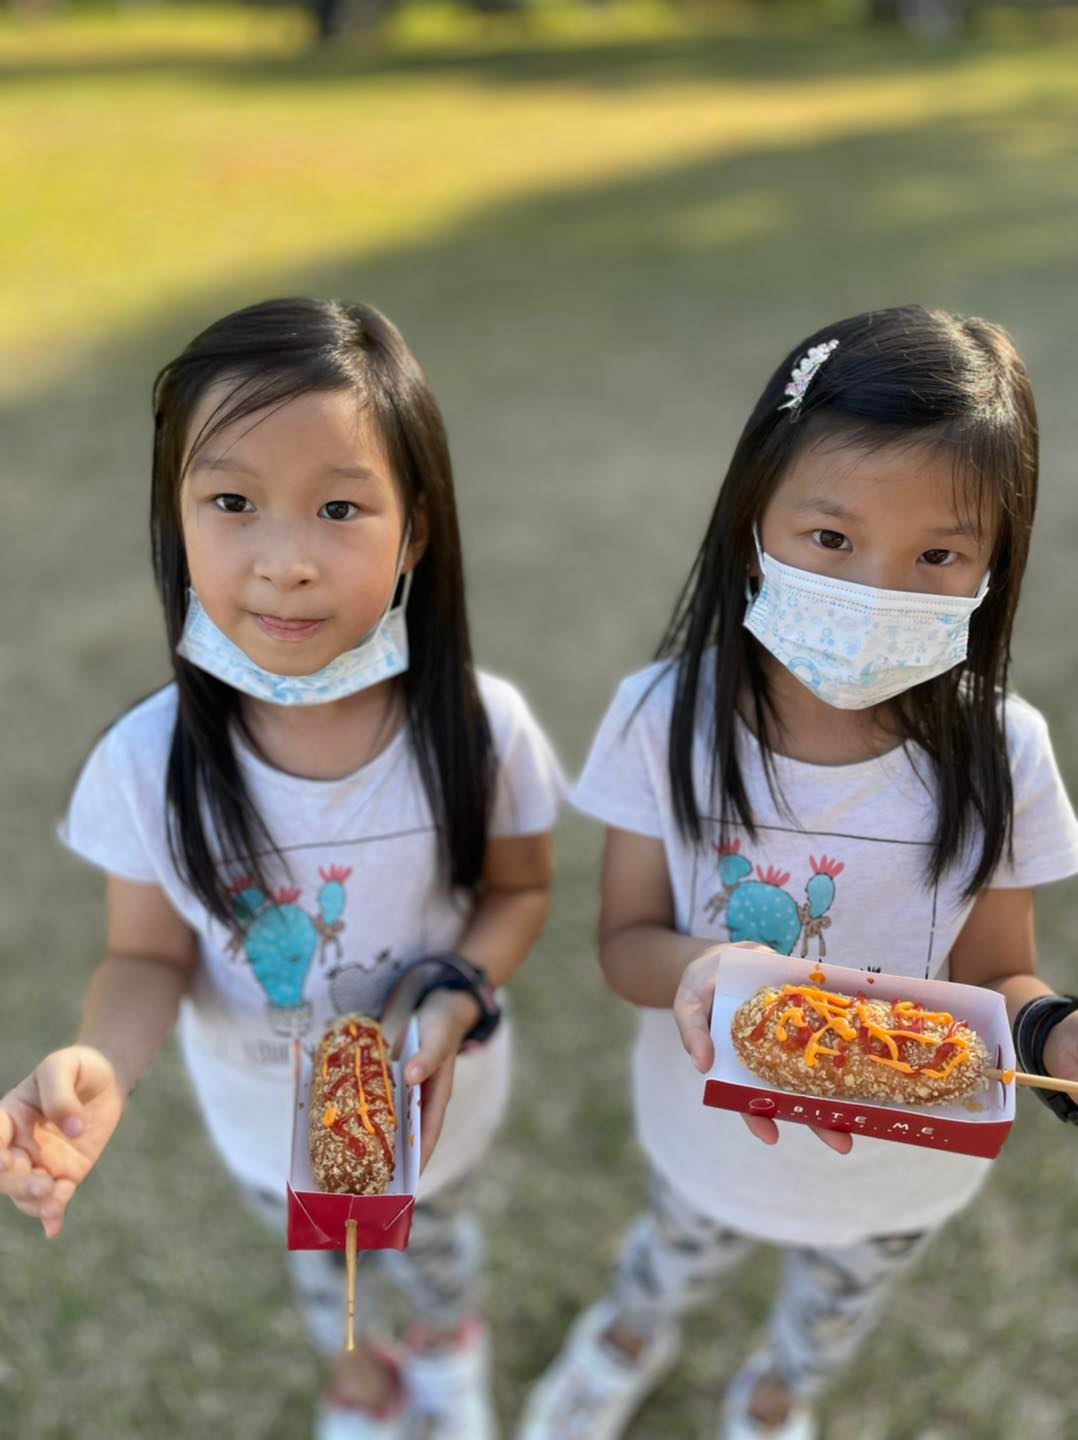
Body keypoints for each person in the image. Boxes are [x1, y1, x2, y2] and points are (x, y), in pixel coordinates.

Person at [0, 298, 563, 1440]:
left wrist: (456, 995)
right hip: (265, 1125)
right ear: (175, 519)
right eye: (232, 503)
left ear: (414, 533)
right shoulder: (144, 764)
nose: (286, 562)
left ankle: (448, 1356)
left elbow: (519, 890)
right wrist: (99, 1061)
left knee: (437, 1251)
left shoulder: (480, 727)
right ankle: (354, 1380)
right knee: (321, 1272)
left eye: (340, 508)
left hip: (435, 1120)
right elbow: (145, 955)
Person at [519, 305, 1078, 1440]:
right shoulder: (666, 717)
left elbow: (998, 973)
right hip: (709, 1128)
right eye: (831, 538)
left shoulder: (1002, 749)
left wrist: (1054, 1033)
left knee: (834, 1309)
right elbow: (626, 944)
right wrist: (705, 966)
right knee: (671, 1252)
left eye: (937, 556)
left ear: (993, 565)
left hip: (901, 1165)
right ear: (751, 526)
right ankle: (625, 1338)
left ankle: (776, 1399)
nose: (878, 590)